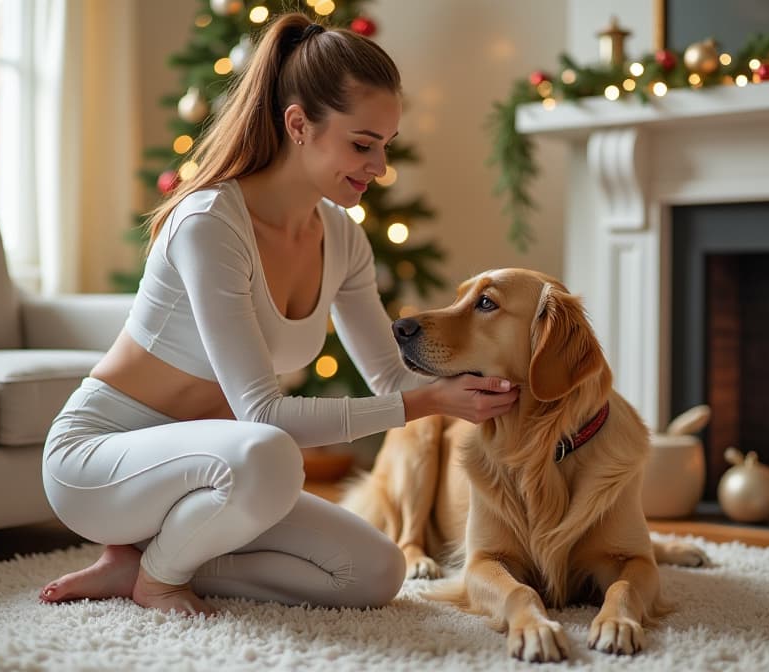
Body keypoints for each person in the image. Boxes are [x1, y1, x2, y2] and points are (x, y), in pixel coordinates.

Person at [38, 13, 519, 617]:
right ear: (298, 124)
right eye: (362, 144)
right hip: (102, 461)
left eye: (385, 146)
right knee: (269, 451)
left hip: (215, 476)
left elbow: (393, 380)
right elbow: (261, 414)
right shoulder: (211, 223)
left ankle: (161, 554)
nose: (378, 166)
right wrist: (425, 404)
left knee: (375, 571)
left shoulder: (343, 240)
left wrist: (484, 381)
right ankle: (158, 577)